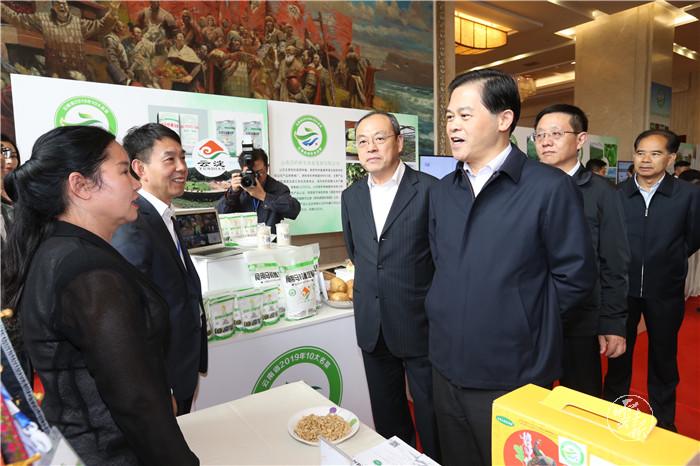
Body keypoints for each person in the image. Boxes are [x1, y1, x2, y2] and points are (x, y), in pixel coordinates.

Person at [0, 125, 198, 465]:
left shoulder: (58, 250)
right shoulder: (87, 272)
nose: (136, 183)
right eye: (123, 171)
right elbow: (135, 401)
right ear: (80, 185)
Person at [427, 69, 596, 466]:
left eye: (465, 115)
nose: (452, 126)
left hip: (514, 371)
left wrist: (525, 322)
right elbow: (441, 263)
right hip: (445, 365)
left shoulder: (549, 188)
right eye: (449, 116)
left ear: (504, 119)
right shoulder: (443, 192)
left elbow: (575, 275)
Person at [341, 111, 440, 460]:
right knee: (388, 416)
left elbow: (442, 259)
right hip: (373, 323)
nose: (370, 147)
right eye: (362, 141)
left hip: (421, 323)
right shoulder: (351, 196)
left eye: (379, 138)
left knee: (432, 414)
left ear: (399, 142)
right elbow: (357, 253)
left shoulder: (430, 190)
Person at [604, 129, 700, 431]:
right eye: (640, 152)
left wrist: (670, 258)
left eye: (655, 153)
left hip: (665, 290)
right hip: (622, 290)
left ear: (671, 158)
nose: (646, 159)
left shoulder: (688, 195)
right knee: (618, 356)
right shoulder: (617, 194)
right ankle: (613, 414)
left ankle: (664, 423)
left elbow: (693, 236)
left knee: (663, 358)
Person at [112, 123, 208, 416]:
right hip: (163, 378)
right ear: (139, 168)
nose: (182, 168)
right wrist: (159, 387)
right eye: (170, 159)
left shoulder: (164, 214)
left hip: (180, 365)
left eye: (183, 157)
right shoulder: (133, 223)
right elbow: (132, 316)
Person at [535, 104, 630, 397]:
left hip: (580, 319)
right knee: (529, 400)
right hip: (531, 316)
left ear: (580, 139)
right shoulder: (523, 188)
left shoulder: (602, 192)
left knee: (579, 400)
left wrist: (613, 322)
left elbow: (614, 262)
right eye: (539, 135)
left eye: (555, 134)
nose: (546, 142)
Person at [0, 0, 118, 80]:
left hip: (78, 74)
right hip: (55, 73)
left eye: (64, 4)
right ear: (53, 8)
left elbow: (100, 27)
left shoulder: (79, 24)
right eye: (58, 4)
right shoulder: (43, 20)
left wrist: (112, 13)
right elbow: (16, 19)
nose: (62, 6)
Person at [215, 148, 300, 234]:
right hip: (242, 240)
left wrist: (263, 196)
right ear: (242, 171)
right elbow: (219, 214)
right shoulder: (238, 188)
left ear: (267, 168)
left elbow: (294, 211)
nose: (255, 177)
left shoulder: (277, 188)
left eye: (259, 172)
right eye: (249, 173)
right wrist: (233, 193)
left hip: (269, 240)